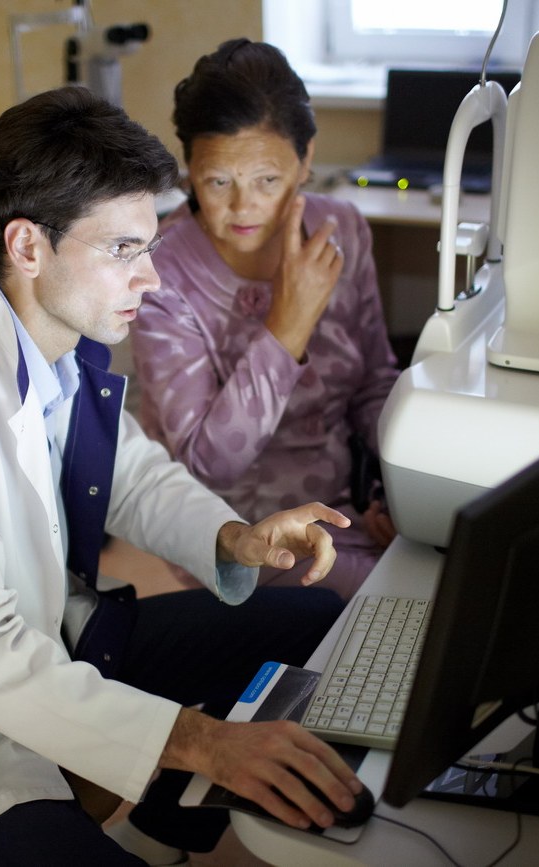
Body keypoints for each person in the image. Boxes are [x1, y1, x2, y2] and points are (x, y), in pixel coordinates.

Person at [0, 85, 368, 867]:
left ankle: (157, 834)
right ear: (27, 247)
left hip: (60, 644)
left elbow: (134, 472)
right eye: (124, 250)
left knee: (314, 620)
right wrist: (202, 741)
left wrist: (238, 537)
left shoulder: (55, 346)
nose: (150, 279)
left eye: (148, 246)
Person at [131, 39, 400, 601]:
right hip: (245, 533)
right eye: (217, 181)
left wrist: (397, 494)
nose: (243, 206)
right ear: (189, 170)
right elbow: (211, 464)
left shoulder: (342, 233)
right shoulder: (162, 275)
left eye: (267, 180)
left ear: (305, 159)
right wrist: (287, 327)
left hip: (348, 506)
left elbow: (375, 382)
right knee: (403, 609)